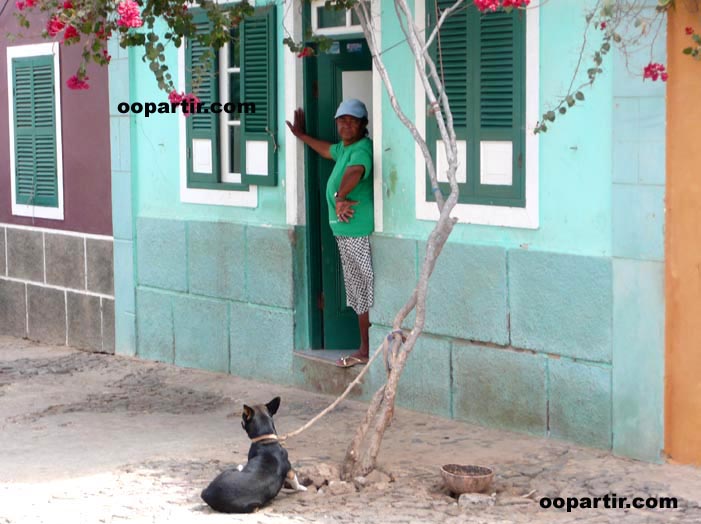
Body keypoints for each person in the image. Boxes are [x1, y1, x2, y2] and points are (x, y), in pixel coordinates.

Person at [286, 99, 374, 368]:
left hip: (357, 232)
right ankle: (365, 348)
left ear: (363, 125)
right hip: (346, 233)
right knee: (357, 291)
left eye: (353, 120)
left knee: (362, 291)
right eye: (342, 120)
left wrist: (340, 195)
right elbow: (327, 151)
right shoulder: (345, 149)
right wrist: (302, 137)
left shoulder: (361, 150)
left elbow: (355, 172)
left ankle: (365, 349)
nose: (346, 125)